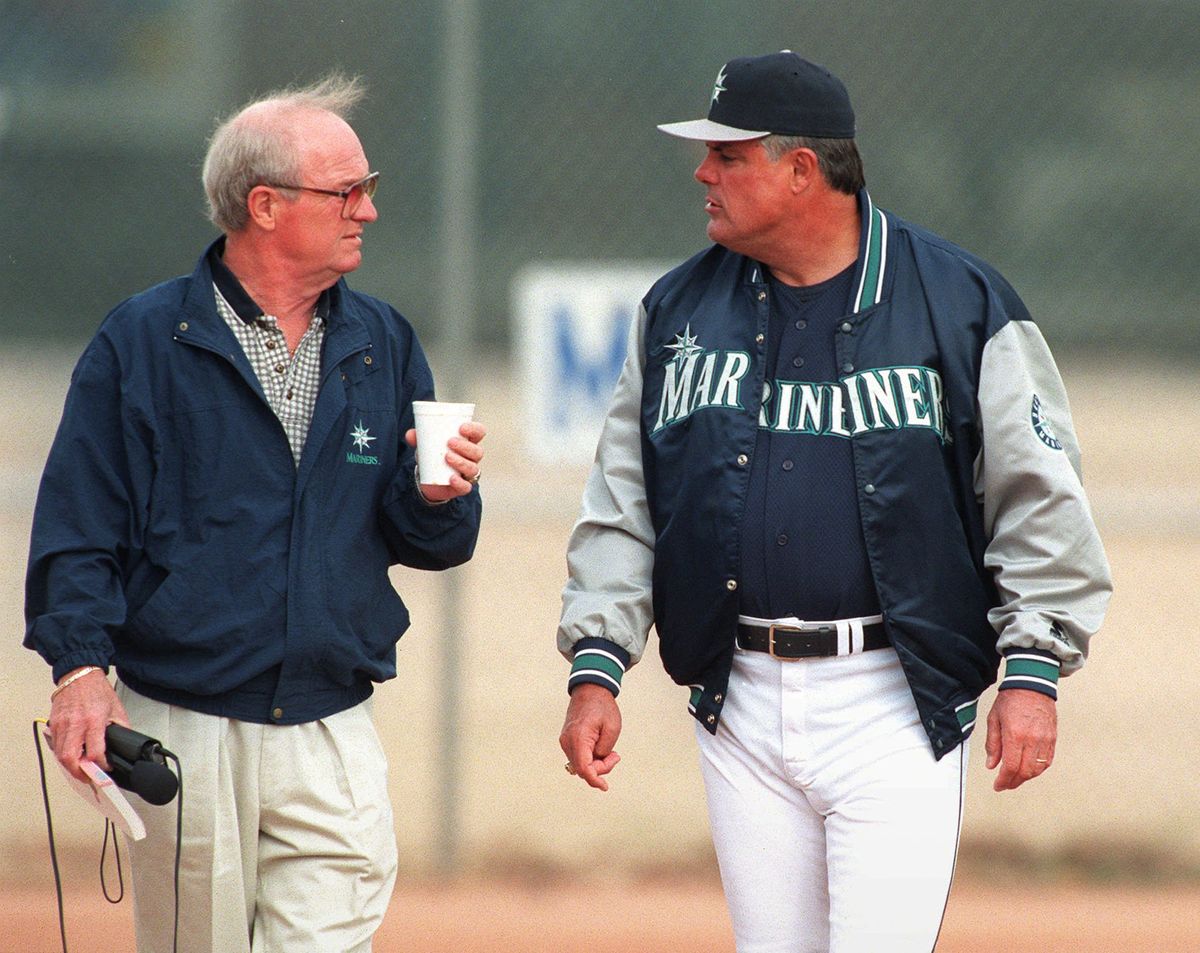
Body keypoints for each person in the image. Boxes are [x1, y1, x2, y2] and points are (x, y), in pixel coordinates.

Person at [558, 51, 1111, 953]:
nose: (703, 172)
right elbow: (625, 503)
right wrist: (596, 663)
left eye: (729, 155)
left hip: (893, 694)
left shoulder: (962, 303)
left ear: (802, 170)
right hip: (740, 697)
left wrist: (1034, 669)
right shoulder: (677, 311)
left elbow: (1038, 500)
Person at [25, 74, 484, 953]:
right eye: (348, 191)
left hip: (331, 725)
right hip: (183, 724)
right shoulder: (142, 342)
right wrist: (79, 667)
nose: (369, 211)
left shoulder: (382, 343)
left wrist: (437, 496)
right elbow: (79, 523)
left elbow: (436, 542)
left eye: (370, 189)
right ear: (265, 204)